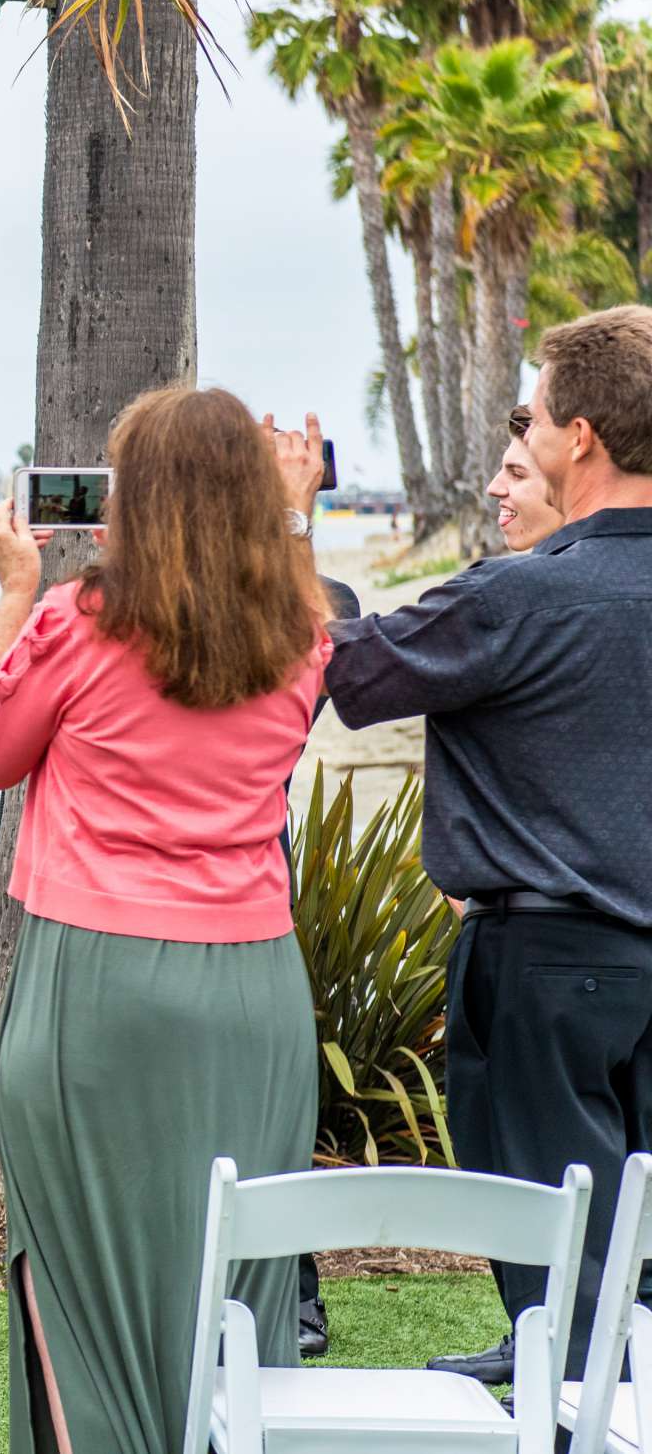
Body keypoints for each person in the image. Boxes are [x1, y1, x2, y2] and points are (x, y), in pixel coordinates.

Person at [0, 386, 328, 1454]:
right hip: (255, 993)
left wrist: (16, 595)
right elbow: (284, 587)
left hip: (98, 992)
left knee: (84, 1278)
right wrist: (292, 520)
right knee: (231, 1278)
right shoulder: (304, 634)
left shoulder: (78, 624)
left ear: (132, 501)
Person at [324, 304, 652, 1384]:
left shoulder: (523, 596)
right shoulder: (529, 588)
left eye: (537, 416)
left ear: (583, 437)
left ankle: (564, 1387)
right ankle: (564, 1361)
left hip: (547, 959)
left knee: (551, 1216)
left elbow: (348, 670)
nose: (531, 433)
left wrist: (283, 524)